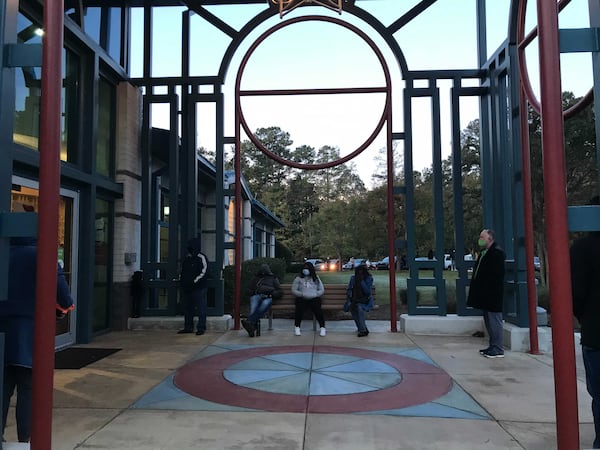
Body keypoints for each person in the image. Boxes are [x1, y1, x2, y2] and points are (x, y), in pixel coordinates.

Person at [0, 236, 75, 443]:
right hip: (29, 332)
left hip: (2, 331)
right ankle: (26, 440)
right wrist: (61, 310)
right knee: (28, 387)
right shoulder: (42, 256)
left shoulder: (4, 254)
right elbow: (64, 297)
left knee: (3, 386)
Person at [570, 195, 600, 449]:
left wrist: (584, 318)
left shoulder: (582, 249)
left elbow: (576, 294)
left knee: (599, 394)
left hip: (595, 333)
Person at [466, 229, 506, 358]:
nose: (480, 239)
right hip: (485, 294)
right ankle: (492, 346)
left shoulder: (497, 253)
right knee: (489, 321)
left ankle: (498, 348)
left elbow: (496, 275)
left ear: (490, 238)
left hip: (492, 294)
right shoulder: (485, 253)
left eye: (482, 237)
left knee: (495, 321)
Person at [178, 238, 209, 335]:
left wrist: (194, 281)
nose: (189, 248)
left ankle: (201, 327)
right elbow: (182, 271)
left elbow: (204, 272)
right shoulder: (187, 258)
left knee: (201, 308)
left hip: (199, 287)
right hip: (187, 288)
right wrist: (183, 282)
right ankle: (188, 327)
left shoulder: (201, 257)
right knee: (187, 308)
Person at [241, 264, 282, 337]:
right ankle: (252, 326)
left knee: (263, 306)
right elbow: (248, 289)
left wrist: (272, 293)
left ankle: (249, 322)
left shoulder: (273, 278)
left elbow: (279, 291)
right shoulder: (256, 278)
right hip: (257, 295)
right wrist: (254, 291)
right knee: (253, 309)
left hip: (268, 297)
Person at [291, 261, 326, 336]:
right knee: (299, 310)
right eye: (304, 268)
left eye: (307, 268)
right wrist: (301, 294)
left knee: (318, 311)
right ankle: (297, 327)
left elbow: (321, 289)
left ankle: (322, 327)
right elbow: (294, 290)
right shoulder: (298, 279)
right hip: (302, 298)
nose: (305, 270)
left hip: (314, 297)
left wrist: (316, 294)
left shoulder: (316, 278)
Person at [345, 264, 374, 337]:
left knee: (359, 308)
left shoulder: (369, 278)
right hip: (354, 300)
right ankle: (363, 329)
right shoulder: (353, 278)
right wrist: (351, 296)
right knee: (352, 308)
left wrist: (361, 281)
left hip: (365, 301)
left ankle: (362, 330)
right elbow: (349, 290)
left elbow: (367, 292)